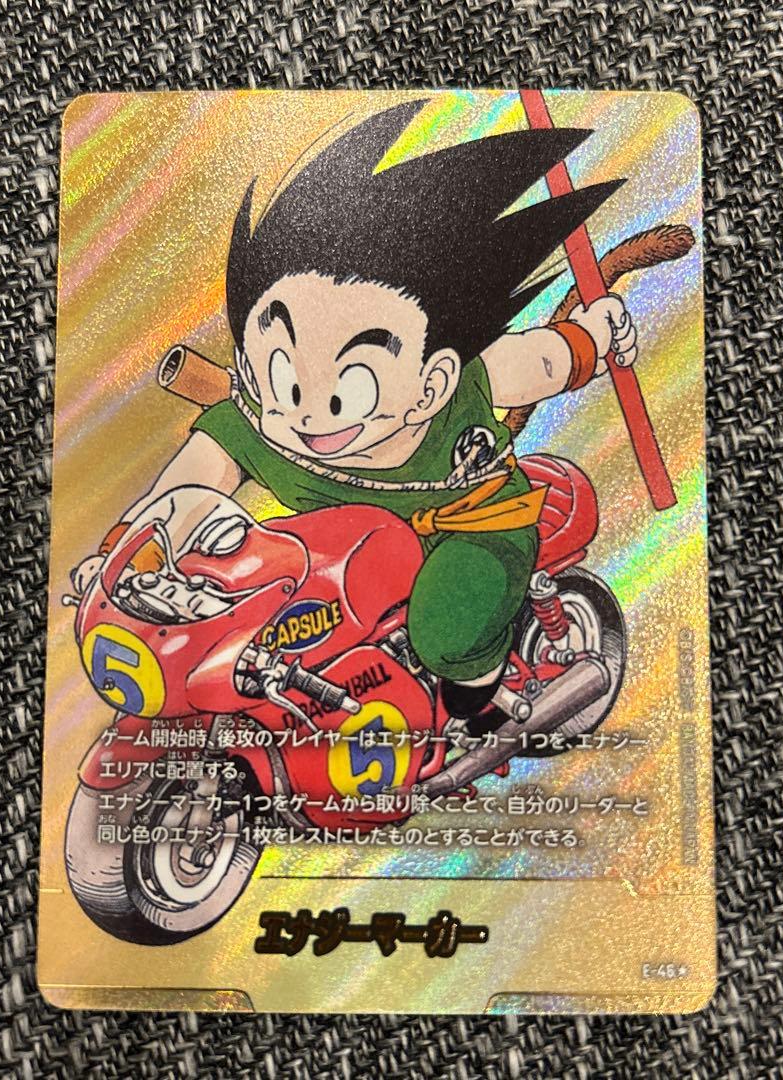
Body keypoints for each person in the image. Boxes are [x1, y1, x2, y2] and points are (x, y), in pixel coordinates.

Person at [72, 100, 637, 718]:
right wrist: (119, 555)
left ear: (433, 383)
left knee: (448, 636)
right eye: (283, 374)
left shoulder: (467, 381)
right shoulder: (260, 421)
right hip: (348, 550)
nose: (309, 414)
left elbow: (542, 362)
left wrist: (596, 334)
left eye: (350, 388)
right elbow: (185, 489)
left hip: (472, 527)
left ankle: (477, 685)